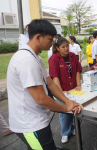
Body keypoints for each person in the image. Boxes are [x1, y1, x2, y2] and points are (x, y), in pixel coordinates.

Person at [7, 19, 82, 150]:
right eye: (50, 39)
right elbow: (41, 98)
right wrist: (65, 108)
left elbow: (51, 84)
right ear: (37, 37)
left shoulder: (36, 58)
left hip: (38, 120)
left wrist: (67, 101)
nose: (53, 42)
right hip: (29, 124)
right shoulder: (26, 60)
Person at [49, 37, 83, 143]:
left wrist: (78, 84)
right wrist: (60, 91)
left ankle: (72, 128)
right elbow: (55, 77)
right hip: (62, 90)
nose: (66, 48)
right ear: (57, 48)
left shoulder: (72, 56)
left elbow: (78, 70)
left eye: (67, 45)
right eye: (63, 47)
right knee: (64, 112)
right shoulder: (54, 58)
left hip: (73, 89)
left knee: (74, 109)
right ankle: (64, 133)